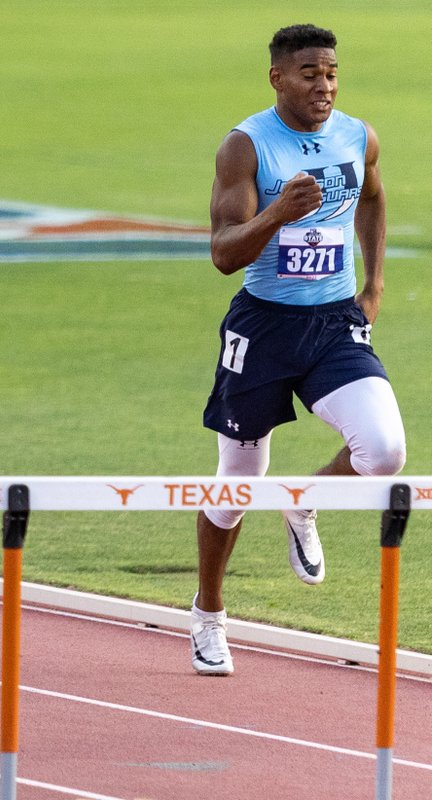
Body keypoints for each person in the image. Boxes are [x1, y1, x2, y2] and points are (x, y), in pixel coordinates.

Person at [191, 24, 406, 676]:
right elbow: (225, 254)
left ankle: (303, 497)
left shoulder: (356, 135)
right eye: (310, 73)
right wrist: (278, 214)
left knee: (385, 450)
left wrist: (373, 283)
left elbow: (371, 193)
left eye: (333, 72)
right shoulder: (246, 146)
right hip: (263, 327)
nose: (325, 85)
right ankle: (208, 613)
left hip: (334, 322)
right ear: (278, 78)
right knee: (237, 486)